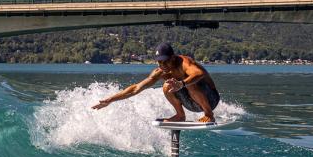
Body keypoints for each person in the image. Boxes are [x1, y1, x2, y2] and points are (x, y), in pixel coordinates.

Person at [91, 43, 221, 122]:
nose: (162, 65)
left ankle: (209, 115)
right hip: (191, 103)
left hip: (211, 100)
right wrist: (110, 100)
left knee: (190, 82)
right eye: (159, 62)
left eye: (165, 61)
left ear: (173, 57)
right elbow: (136, 88)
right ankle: (180, 115)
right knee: (167, 85)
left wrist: (182, 83)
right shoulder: (160, 71)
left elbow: (199, 73)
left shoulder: (185, 63)